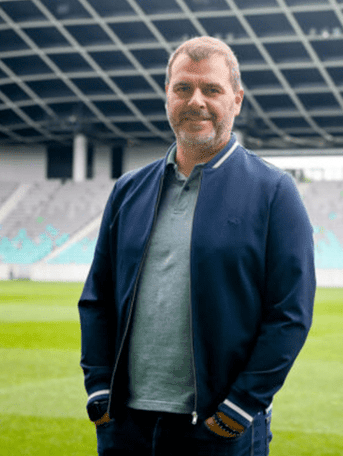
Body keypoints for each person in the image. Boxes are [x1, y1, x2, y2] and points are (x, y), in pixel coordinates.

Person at [78, 36, 316, 456]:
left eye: (212, 89)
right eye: (183, 88)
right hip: (125, 428)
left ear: (237, 100)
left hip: (219, 431)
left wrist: (240, 408)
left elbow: (290, 313)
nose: (196, 101)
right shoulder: (128, 190)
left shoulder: (274, 192)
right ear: (167, 95)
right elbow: (97, 298)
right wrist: (99, 389)